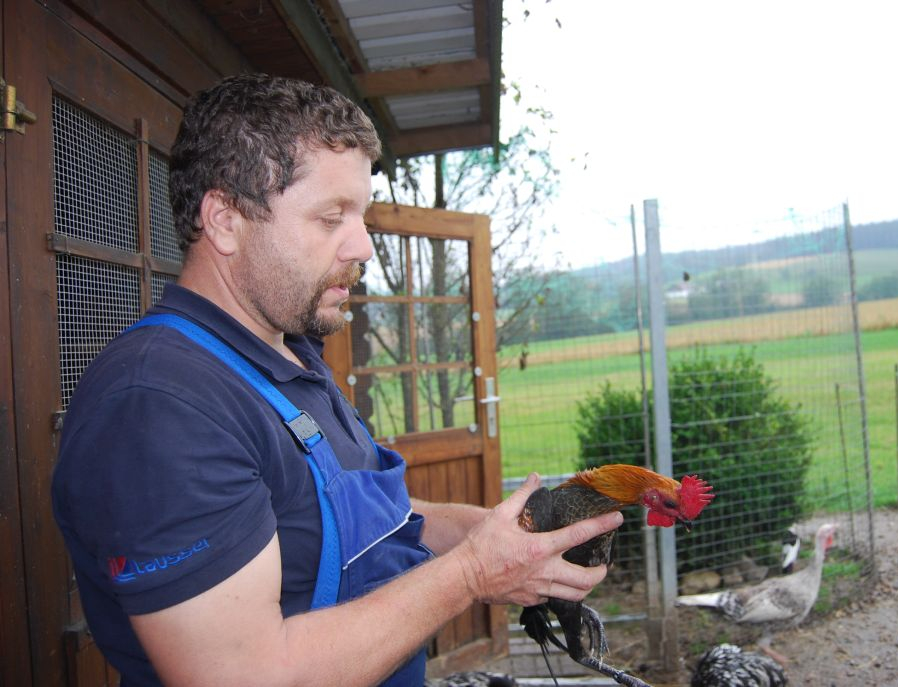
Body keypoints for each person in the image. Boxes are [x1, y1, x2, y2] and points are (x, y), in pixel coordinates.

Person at [50, 73, 622, 687]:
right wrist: (474, 573)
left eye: (361, 215)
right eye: (331, 218)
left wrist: (496, 537)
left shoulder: (288, 357)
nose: (364, 247)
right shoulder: (160, 408)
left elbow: (352, 520)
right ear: (224, 220)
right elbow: (244, 677)